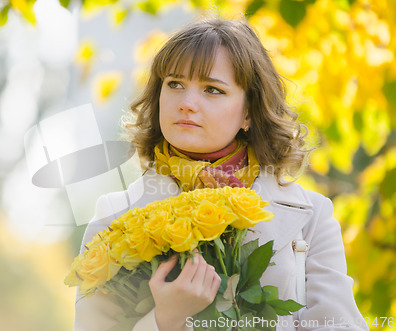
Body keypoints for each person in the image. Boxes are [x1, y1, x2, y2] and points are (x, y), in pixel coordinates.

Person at [73, 17, 368, 331]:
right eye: (174, 84)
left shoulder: (312, 219)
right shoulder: (112, 219)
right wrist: (165, 320)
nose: (186, 103)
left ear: (249, 112)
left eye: (212, 89)